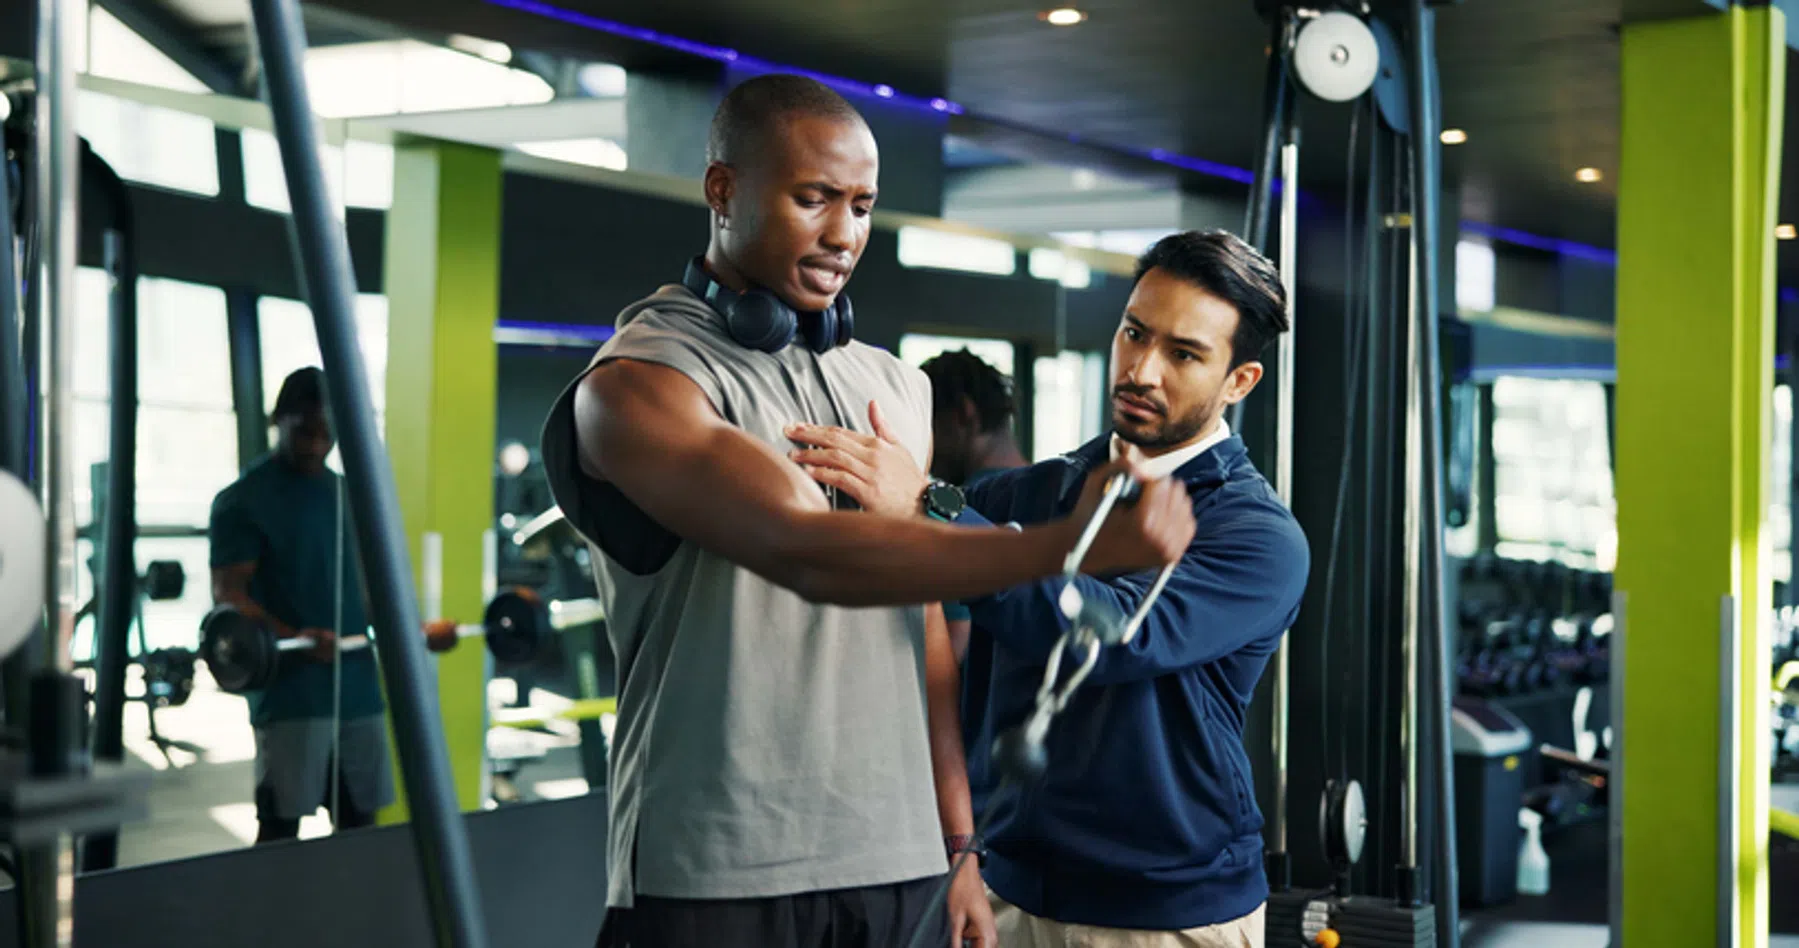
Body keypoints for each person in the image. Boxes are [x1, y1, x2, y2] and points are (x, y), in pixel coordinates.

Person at [536, 72, 1196, 948]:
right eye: (814, 199)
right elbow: (807, 550)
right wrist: (1066, 547)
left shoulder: (890, 385)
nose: (844, 234)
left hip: (896, 855)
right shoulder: (640, 384)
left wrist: (958, 844)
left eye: (860, 205)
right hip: (719, 863)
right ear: (722, 189)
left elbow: (919, 622)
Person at [791, 230, 1310, 947]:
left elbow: (1111, 633)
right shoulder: (1020, 495)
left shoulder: (1256, 536)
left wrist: (925, 507)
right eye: (1134, 334)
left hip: (1168, 914)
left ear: (1238, 381)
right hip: (1004, 892)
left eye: (1183, 354)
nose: (1142, 370)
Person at [208, 366, 395, 843]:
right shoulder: (242, 501)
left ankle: (350, 917)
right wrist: (296, 639)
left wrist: (404, 633)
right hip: (291, 693)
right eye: (305, 430)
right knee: (280, 829)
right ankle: (269, 919)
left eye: (327, 433)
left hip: (356, 686)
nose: (317, 443)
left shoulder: (349, 494)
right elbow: (230, 596)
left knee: (360, 825)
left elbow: (367, 587)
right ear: (278, 419)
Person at [918, 348, 1028, 660]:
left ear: (964, 414)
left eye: (930, 426)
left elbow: (955, 646)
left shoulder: (952, 512)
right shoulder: (1054, 497)